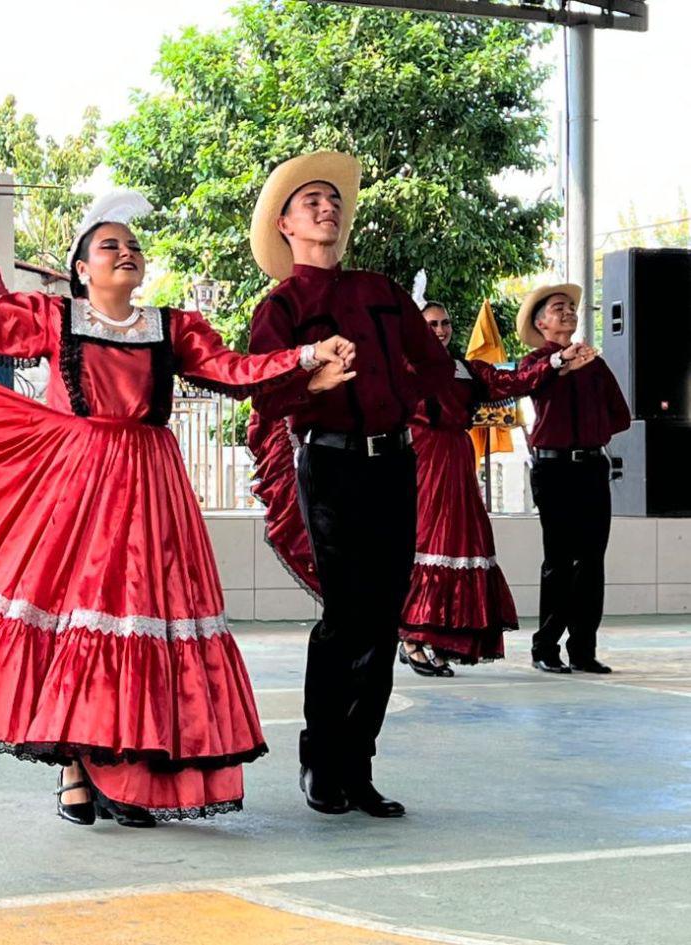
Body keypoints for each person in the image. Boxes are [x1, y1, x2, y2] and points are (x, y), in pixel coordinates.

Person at [0, 190, 355, 826]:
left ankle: (133, 775)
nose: (126, 253)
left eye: (132, 246)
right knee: (77, 622)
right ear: (82, 269)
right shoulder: (56, 318)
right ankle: (75, 768)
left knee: (143, 622)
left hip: (153, 491)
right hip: (77, 489)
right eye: (110, 245)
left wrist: (303, 357)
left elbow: (231, 368)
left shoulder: (172, 326)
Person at [245, 151, 454, 818]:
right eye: (312, 202)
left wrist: (421, 400)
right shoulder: (279, 308)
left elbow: (434, 364)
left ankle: (357, 767)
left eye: (333, 201)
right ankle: (320, 757)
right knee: (346, 614)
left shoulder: (382, 292)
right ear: (286, 224)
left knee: (386, 616)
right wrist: (310, 383)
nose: (328, 208)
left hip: (394, 463)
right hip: (328, 466)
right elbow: (262, 390)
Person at [398, 300, 593, 676]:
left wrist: (555, 362)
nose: (440, 330)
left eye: (445, 323)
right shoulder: (404, 367)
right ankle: (411, 637)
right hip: (424, 459)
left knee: (463, 542)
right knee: (428, 542)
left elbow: (513, 381)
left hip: (457, 458)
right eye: (432, 324)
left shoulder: (464, 369)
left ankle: (437, 638)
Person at [517, 284, 630, 675]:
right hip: (554, 469)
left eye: (570, 307)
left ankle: (583, 648)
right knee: (560, 559)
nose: (567, 312)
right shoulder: (536, 363)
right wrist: (560, 366)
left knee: (593, 561)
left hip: (591, 467)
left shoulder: (595, 364)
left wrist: (591, 431)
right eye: (557, 307)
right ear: (541, 322)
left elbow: (621, 414)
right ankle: (545, 646)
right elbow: (528, 383)